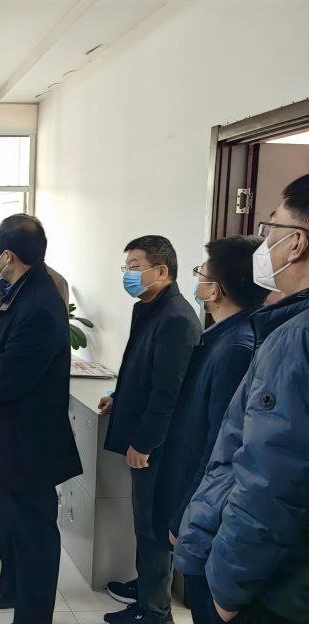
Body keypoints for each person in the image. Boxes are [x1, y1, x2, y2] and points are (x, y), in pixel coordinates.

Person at [175, 174, 309, 624]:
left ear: (296, 244)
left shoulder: (292, 339)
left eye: (271, 229)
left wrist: (228, 587)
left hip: (273, 589)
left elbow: (270, 477)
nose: (263, 244)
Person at [0, 214, 82, 624]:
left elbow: (13, 374)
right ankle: (10, 587)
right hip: (8, 436)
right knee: (10, 522)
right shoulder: (17, 290)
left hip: (30, 442)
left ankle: (32, 615)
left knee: (34, 535)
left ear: (8, 255)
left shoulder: (40, 303)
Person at [152, 237, 267, 624]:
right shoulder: (220, 337)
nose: (196, 280)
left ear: (214, 290)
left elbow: (218, 446)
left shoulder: (236, 348)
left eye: (200, 273)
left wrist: (186, 514)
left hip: (206, 510)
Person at [101, 235, 201, 624]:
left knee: (153, 525)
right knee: (142, 520)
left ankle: (155, 610)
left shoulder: (176, 318)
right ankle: (145, 586)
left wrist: (143, 443)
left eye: (134, 267)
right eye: (126, 267)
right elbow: (140, 367)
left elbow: (167, 393)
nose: (128, 274)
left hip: (158, 444)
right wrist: (117, 395)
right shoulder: (148, 307)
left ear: (161, 271)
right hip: (143, 431)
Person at [0, 264, 70, 533]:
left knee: (26, 476)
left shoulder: (50, 286)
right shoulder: (6, 280)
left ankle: (11, 512)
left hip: (23, 389)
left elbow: (39, 343)